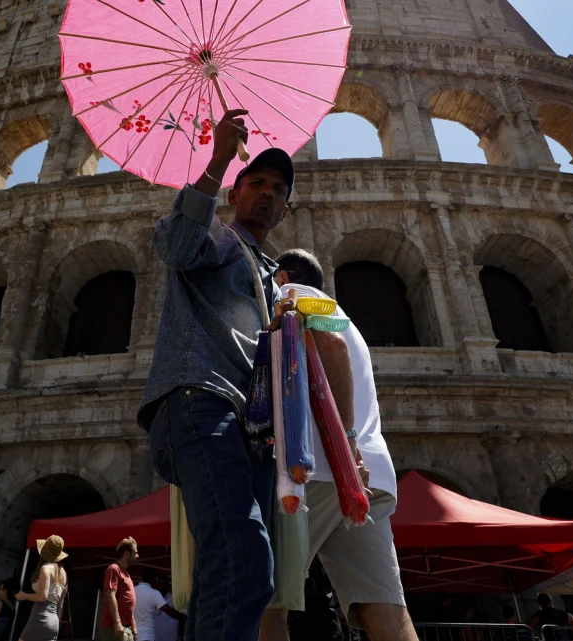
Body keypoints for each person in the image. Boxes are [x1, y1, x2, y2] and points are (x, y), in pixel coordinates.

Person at [139, 107, 293, 641]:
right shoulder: (219, 237)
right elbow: (177, 247)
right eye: (257, 183)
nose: (267, 193)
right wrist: (219, 159)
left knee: (220, 570)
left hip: (248, 429)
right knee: (246, 556)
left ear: (285, 209)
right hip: (199, 399)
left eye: (278, 188)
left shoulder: (272, 274)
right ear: (235, 193)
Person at [260, 249, 416, 641]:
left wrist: (345, 445)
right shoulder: (350, 321)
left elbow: (330, 346)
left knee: (267, 602)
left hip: (324, 467)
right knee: (384, 607)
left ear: (280, 276)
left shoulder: (289, 292)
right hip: (371, 475)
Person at [15, 536, 67, 641]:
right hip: (54, 621)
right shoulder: (63, 573)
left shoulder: (46, 569)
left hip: (40, 616)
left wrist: (23, 595)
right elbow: (60, 604)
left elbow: (42, 596)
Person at [97, 538, 137, 641]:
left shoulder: (126, 573)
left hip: (126, 626)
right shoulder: (114, 569)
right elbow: (111, 596)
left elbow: (128, 602)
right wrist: (117, 623)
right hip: (114, 627)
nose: (137, 556)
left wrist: (133, 624)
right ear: (126, 553)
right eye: (135, 553)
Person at [131, 570, 180, 641]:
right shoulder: (154, 593)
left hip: (134, 636)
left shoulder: (132, 591)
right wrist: (184, 617)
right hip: (146, 637)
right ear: (156, 579)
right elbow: (169, 611)